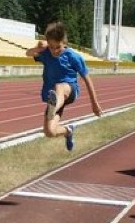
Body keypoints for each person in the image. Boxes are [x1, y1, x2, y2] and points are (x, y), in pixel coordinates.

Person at [25, 21, 102, 151]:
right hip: (54, 97)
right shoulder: (46, 53)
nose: (54, 51)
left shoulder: (73, 57)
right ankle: (68, 131)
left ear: (64, 42)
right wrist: (39, 48)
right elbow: (28, 53)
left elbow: (87, 79)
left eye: (58, 47)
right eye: (51, 47)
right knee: (49, 132)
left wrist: (94, 103)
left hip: (70, 90)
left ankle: (53, 108)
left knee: (59, 86)